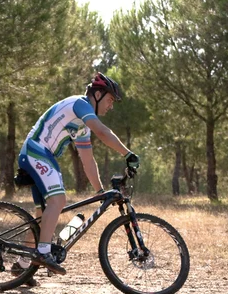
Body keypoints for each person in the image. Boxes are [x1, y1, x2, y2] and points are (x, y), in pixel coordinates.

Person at [14, 72, 140, 277]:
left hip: (39, 154)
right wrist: (127, 153)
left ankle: (22, 267)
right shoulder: (80, 104)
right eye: (110, 100)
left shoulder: (82, 126)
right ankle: (43, 253)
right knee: (58, 199)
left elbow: (88, 161)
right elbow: (102, 131)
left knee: (41, 216)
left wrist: (100, 192)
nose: (111, 106)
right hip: (37, 151)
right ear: (97, 95)